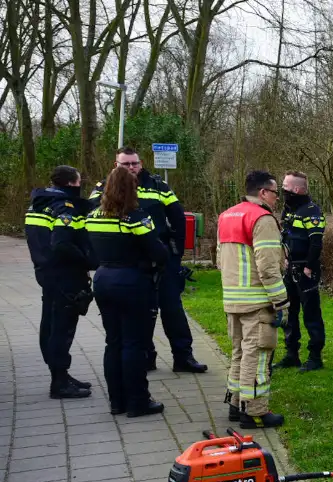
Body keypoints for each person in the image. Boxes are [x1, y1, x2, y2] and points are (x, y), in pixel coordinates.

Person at [90, 147, 208, 374]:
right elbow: (93, 214)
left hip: (161, 257)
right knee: (141, 313)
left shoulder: (158, 185)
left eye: (134, 163)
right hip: (130, 262)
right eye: (126, 164)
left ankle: (183, 356)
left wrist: (175, 254)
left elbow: (177, 218)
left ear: (141, 163)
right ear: (116, 165)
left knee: (172, 309)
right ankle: (145, 356)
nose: (131, 168)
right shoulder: (105, 186)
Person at [86, 167, 169, 416]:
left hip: (103, 280)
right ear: (132, 189)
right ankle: (138, 401)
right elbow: (158, 252)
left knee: (113, 342)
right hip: (132, 281)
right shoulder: (136, 218)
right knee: (134, 343)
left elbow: (90, 251)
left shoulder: (93, 216)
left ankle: (116, 402)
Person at [217, 170, 289, 429]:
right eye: (275, 193)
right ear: (262, 193)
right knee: (258, 355)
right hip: (257, 300)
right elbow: (268, 267)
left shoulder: (226, 215)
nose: (277, 198)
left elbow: (219, 260)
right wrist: (281, 302)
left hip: (232, 298)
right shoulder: (262, 218)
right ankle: (255, 411)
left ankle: (236, 404)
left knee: (239, 352)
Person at [24, 165, 96, 399]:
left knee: (50, 323)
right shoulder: (64, 207)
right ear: (71, 184)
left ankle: (62, 375)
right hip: (65, 275)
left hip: (46, 272)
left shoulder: (38, 202)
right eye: (78, 181)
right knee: (62, 328)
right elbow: (63, 243)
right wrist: (89, 260)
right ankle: (59, 382)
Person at [274, 170, 326, 372]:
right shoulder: (289, 209)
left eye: (285, 187)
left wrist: (308, 267)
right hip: (290, 267)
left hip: (305, 270)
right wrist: (285, 259)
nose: (282, 190)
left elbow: (316, 243)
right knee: (290, 313)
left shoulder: (311, 211)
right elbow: (286, 238)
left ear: (296, 189)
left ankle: (315, 357)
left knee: (311, 314)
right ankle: (291, 354)